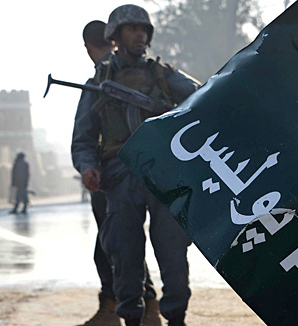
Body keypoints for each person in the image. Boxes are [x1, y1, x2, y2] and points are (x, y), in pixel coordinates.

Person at [71, 5, 200, 326]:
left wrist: (170, 115)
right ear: (115, 36)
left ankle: (176, 317)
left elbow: (201, 98)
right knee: (125, 256)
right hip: (119, 174)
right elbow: (83, 138)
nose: (140, 35)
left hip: (163, 173)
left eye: (144, 30)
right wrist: (88, 167)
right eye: (132, 29)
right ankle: (131, 316)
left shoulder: (163, 74)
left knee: (172, 252)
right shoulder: (99, 81)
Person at [73, 19, 160, 326]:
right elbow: (84, 136)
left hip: (117, 173)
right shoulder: (100, 81)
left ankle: (137, 305)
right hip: (113, 172)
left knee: (119, 247)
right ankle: (131, 306)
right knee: (119, 245)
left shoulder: (137, 75)